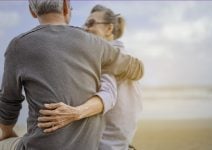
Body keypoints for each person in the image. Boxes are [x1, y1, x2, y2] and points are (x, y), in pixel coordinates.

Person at [0, 0, 144, 150]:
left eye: (91, 23)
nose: (85, 28)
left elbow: (9, 100)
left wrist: (7, 131)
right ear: (65, 6)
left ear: (32, 11)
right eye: (86, 23)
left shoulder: (18, 45)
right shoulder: (95, 45)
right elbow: (136, 68)